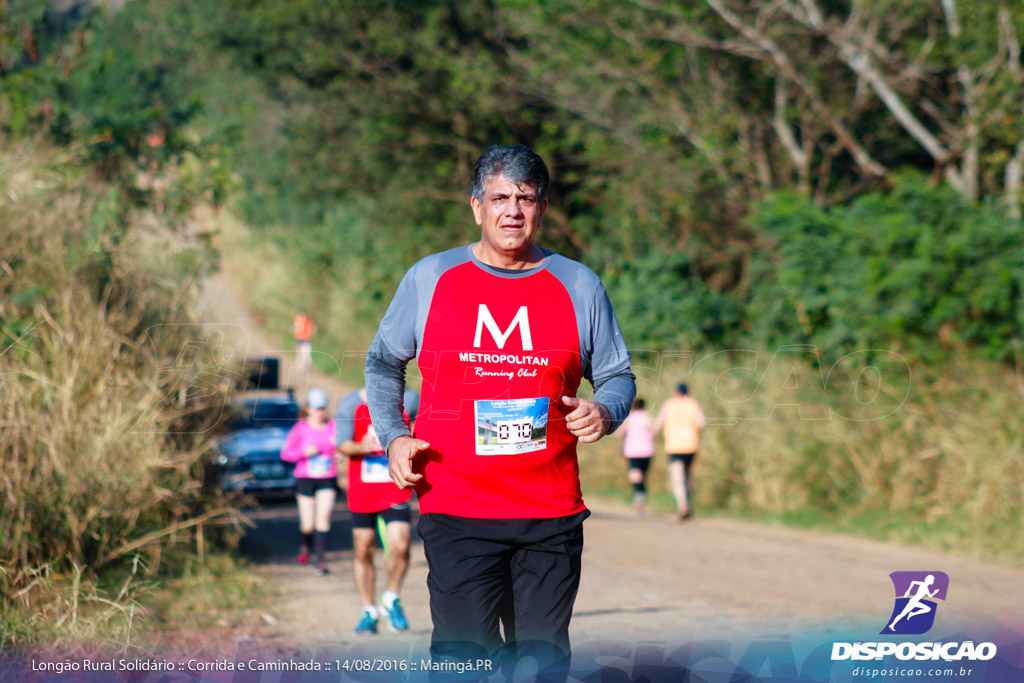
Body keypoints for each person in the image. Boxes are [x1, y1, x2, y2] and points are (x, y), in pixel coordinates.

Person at [365, 144, 635, 671]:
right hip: (457, 507)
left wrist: (605, 412)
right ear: (476, 206)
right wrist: (394, 435)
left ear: (543, 207)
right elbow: (381, 362)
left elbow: (618, 376)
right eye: (500, 198)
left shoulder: (579, 284)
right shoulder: (430, 277)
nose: (513, 210)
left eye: (525, 198)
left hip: (549, 513)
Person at [335, 387, 419, 635]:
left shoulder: (411, 399)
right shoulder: (351, 402)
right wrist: (360, 446)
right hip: (362, 489)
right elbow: (342, 444)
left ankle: (391, 598)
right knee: (363, 549)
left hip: (395, 486)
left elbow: (421, 431)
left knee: (401, 545)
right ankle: (368, 611)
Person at [280, 388, 338, 575]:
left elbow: (342, 447)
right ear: (308, 409)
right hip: (305, 477)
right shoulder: (300, 429)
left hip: (327, 477)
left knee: (324, 517)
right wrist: (304, 453)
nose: (320, 412)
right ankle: (306, 545)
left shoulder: (333, 427)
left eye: (322, 408)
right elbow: (286, 454)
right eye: (316, 408)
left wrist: (340, 454)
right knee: (307, 523)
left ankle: (320, 560)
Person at [654, 382, 706, 521]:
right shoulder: (693, 404)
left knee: (678, 478)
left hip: (674, 446)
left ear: (675, 391)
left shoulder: (669, 404)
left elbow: (657, 424)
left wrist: (656, 436)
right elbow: (701, 424)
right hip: (691, 445)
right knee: (688, 476)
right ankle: (688, 504)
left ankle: (683, 506)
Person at [616, 397, 655, 515]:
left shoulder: (630, 418)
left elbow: (619, 433)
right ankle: (640, 501)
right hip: (647, 451)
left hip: (632, 452)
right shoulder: (646, 417)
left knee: (635, 477)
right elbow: (654, 431)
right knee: (643, 477)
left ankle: (638, 501)